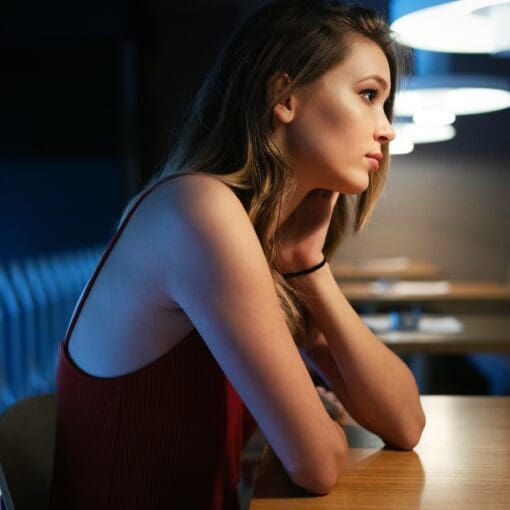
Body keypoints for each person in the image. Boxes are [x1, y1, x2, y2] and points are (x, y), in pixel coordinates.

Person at [49, 0, 425, 508]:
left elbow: (405, 421)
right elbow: (317, 464)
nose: (387, 128)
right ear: (283, 96)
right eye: (367, 95)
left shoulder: (257, 236)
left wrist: (309, 268)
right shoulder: (199, 210)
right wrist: (313, 423)